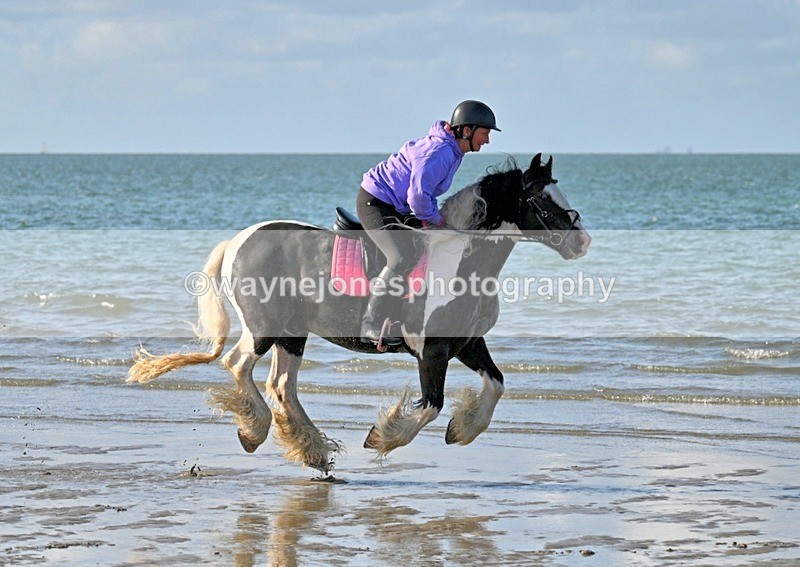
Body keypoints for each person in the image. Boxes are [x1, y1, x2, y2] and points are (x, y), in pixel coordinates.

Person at [356, 100, 501, 346]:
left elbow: (424, 195)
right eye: (485, 133)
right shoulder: (441, 152)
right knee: (400, 256)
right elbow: (418, 197)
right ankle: (370, 323)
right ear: (467, 130)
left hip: (396, 205)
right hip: (376, 202)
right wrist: (435, 219)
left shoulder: (454, 150)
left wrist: (435, 219)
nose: (487, 140)